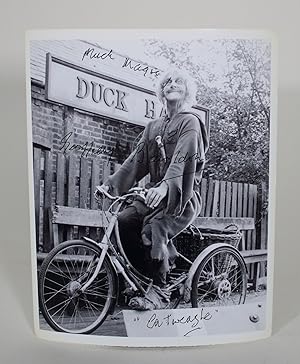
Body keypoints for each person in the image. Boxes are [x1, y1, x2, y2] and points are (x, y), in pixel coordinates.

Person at [97, 68, 209, 309]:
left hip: (180, 198)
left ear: (187, 90)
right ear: (161, 90)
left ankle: (159, 291)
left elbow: (182, 158)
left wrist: (167, 186)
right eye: (167, 81)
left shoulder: (190, 122)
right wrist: (110, 185)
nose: (172, 83)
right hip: (152, 194)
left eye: (178, 81)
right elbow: (135, 162)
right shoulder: (153, 127)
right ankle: (142, 279)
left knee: (154, 227)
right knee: (124, 220)